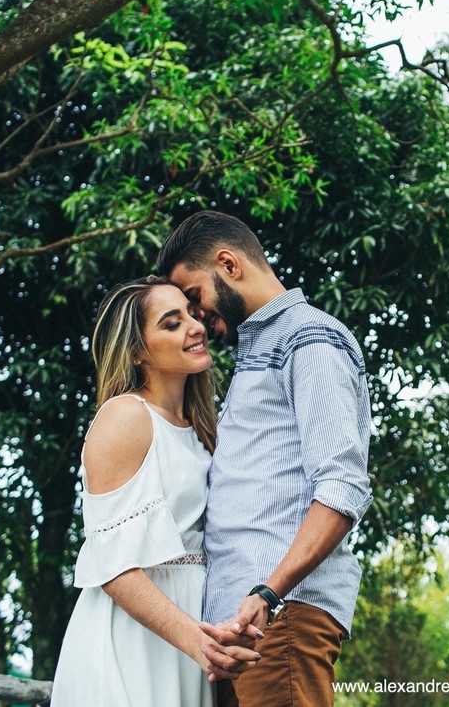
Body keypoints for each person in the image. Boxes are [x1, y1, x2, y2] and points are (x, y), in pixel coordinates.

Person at [157, 211, 374, 707]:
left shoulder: (309, 338)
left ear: (228, 264)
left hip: (279, 619)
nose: (197, 320)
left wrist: (267, 594)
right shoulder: (257, 353)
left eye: (194, 299)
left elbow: (341, 488)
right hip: (240, 629)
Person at [52, 276, 261, 706]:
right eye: (171, 323)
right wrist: (201, 645)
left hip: (191, 633)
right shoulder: (126, 417)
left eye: (190, 313)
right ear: (136, 351)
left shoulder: (204, 429)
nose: (195, 326)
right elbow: (113, 566)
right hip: (134, 638)